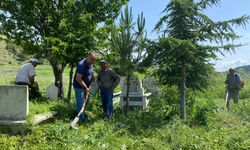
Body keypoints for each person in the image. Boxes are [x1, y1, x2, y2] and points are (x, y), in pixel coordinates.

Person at [73, 52, 97, 123]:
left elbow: (91, 72)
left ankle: (82, 114)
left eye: (94, 60)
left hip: (87, 86)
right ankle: (81, 120)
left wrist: (92, 78)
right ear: (88, 56)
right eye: (91, 59)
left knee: (85, 102)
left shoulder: (91, 64)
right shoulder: (82, 65)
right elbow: (78, 79)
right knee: (81, 103)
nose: (92, 61)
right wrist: (86, 88)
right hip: (79, 87)